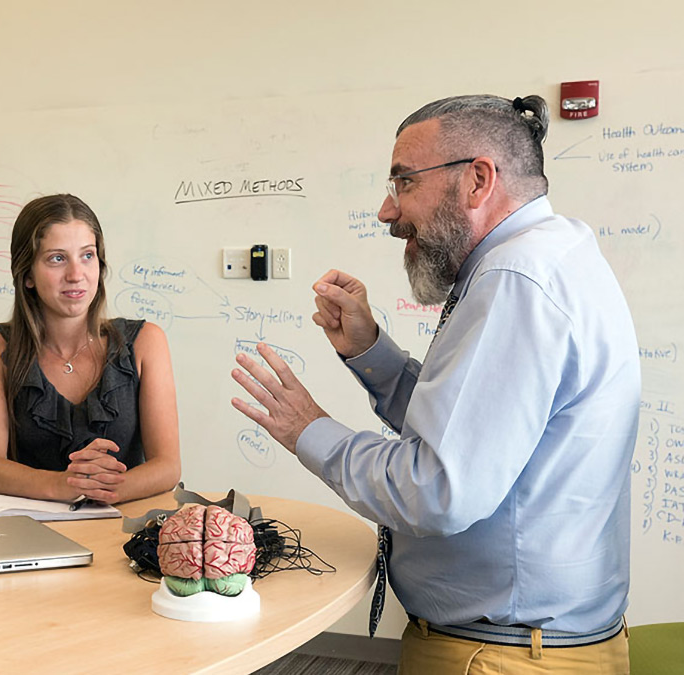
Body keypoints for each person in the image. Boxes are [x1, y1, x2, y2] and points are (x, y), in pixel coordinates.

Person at [232, 95, 638, 673]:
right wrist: (370, 351)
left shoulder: (512, 279)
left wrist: (309, 430)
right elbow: (473, 435)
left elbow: (437, 488)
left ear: (477, 180)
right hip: (531, 646)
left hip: (499, 658)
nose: (385, 210)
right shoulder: (558, 250)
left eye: (403, 183)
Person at [0, 194, 180, 504]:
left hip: (120, 529)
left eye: (87, 255)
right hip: (29, 534)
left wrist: (100, 488)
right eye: (57, 258)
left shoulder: (147, 340)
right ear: (27, 273)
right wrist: (64, 484)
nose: (76, 274)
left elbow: (167, 467)